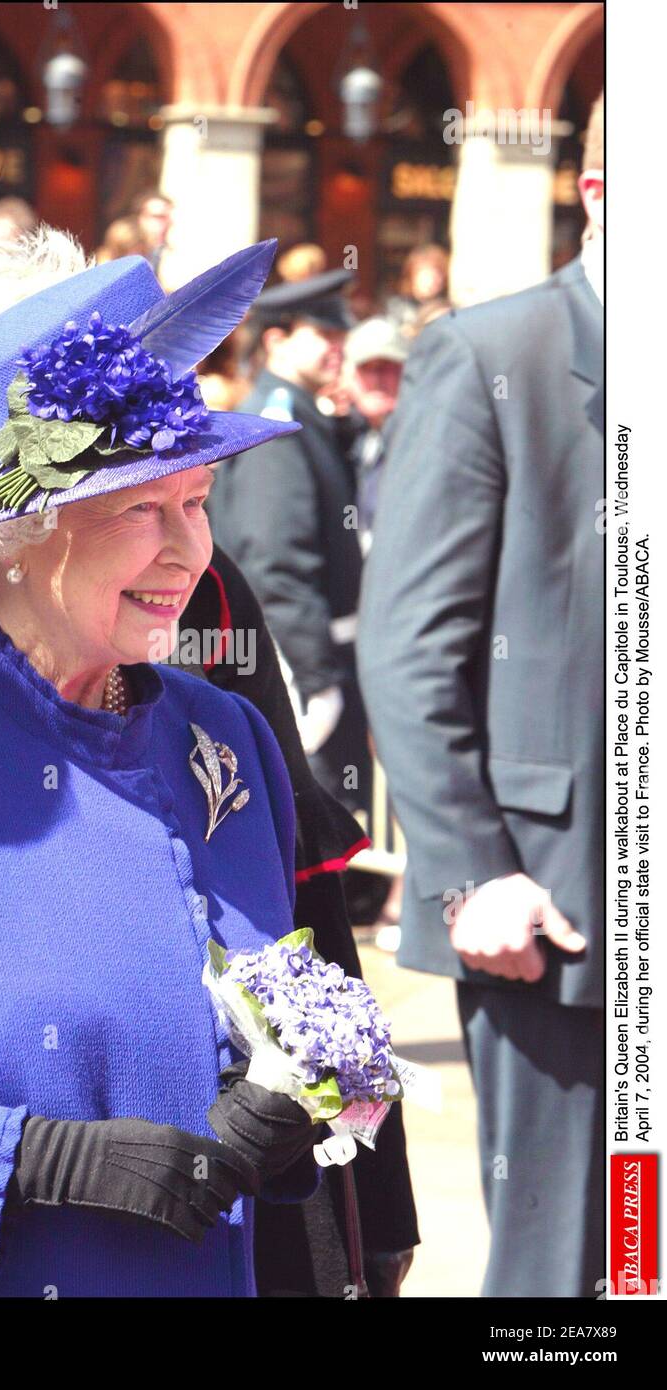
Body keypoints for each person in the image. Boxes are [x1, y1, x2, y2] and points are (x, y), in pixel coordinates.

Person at [0, 231, 393, 1298]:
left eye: (196, 500)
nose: (190, 551)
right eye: (143, 508)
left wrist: (309, 1087)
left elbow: (306, 1012)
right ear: (20, 531)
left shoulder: (225, 741)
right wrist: (35, 1163)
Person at [356, 92, 604, 1297]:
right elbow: (409, 645)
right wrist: (470, 870)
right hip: (557, 921)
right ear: (603, 196)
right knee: (574, 1267)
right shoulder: (493, 355)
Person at [207, 270, 368, 819]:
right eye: (323, 335)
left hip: (317, 649)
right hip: (299, 656)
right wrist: (318, 677)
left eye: (341, 336)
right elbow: (277, 562)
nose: (337, 348)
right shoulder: (277, 422)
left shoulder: (299, 411)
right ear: (276, 341)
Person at [340, 317, 409, 558]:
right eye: (367, 368)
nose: (378, 380)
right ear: (348, 376)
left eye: (389, 368)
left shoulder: (424, 440)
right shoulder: (343, 434)